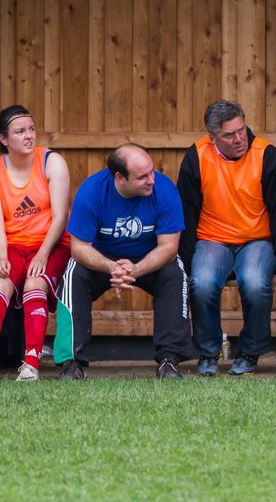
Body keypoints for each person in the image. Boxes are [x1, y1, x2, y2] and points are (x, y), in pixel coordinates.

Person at [54, 143, 194, 379]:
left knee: (175, 273)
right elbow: (79, 248)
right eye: (142, 177)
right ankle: (70, 364)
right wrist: (112, 267)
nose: (152, 180)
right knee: (73, 275)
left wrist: (136, 269)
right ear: (120, 178)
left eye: (151, 171)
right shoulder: (92, 193)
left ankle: (169, 362)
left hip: (149, 257)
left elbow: (169, 247)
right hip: (102, 258)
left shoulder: (165, 190)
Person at [177, 100, 276, 377]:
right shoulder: (197, 156)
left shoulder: (267, 155)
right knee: (201, 283)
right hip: (211, 239)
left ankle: (251, 352)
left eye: (242, 130)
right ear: (212, 136)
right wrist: (188, 259)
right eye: (229, 135)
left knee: (254, 283)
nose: (240, 139)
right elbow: (186, 213)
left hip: (257, 240)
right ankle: (207, 352)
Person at [0, 105, 71, 382]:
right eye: (20, 131)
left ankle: (30, 365)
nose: (29, 136)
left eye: (31, 129)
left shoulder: (52, 161)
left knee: (34, 284)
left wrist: (42, 255)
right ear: (4, 139)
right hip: (13, 245)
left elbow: (61, 217)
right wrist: (1, 255)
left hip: (51, 244)